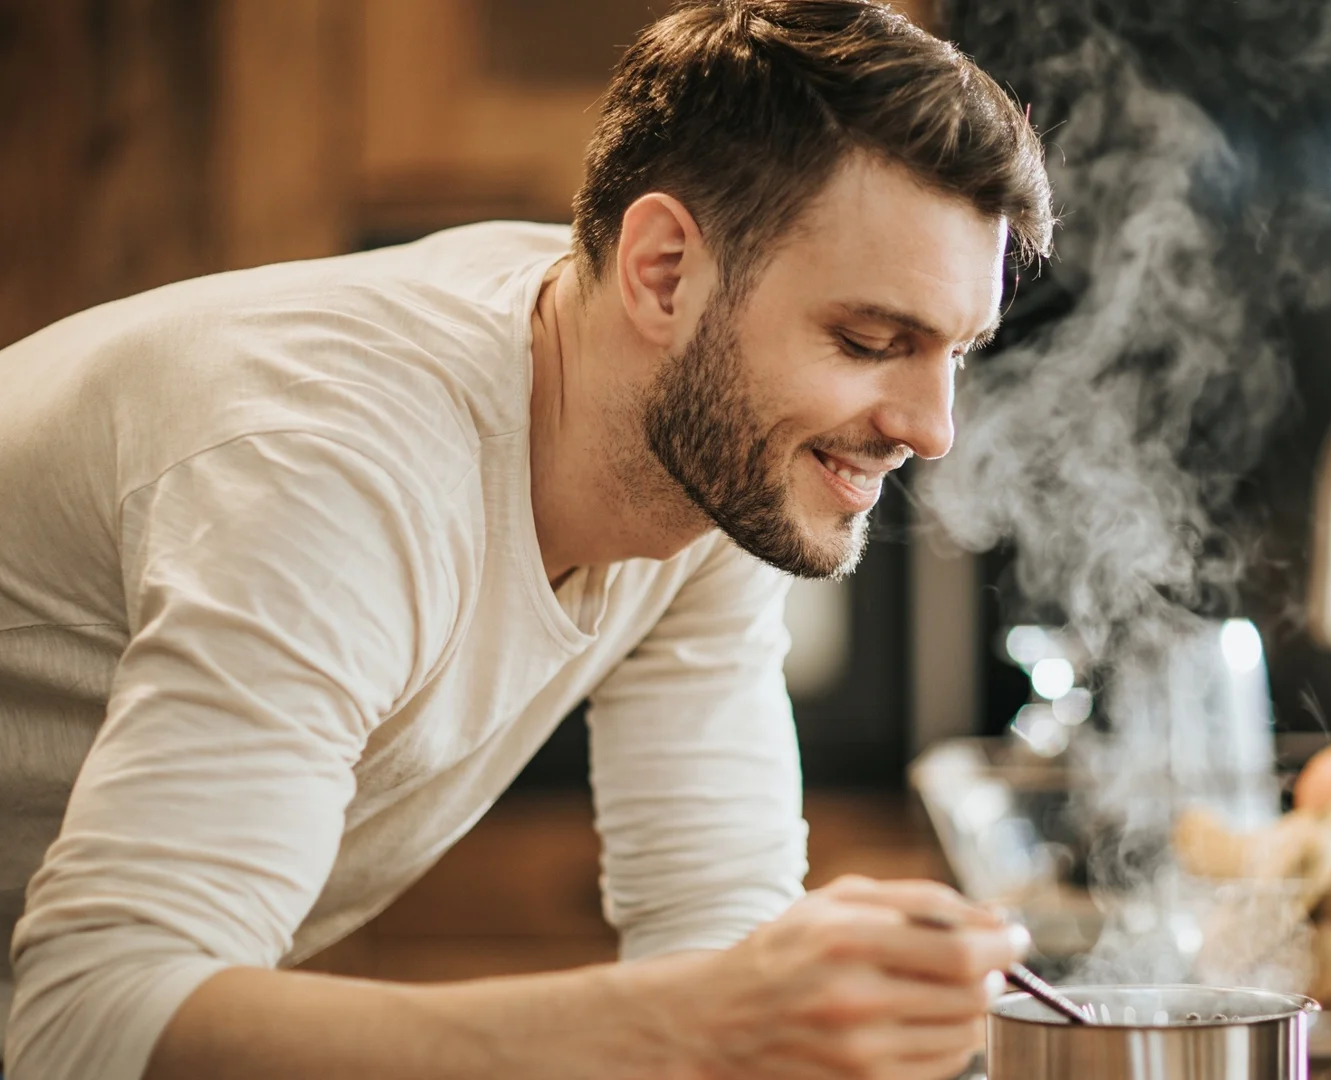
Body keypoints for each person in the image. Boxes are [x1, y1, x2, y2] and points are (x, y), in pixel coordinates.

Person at [0, 0, 1053, 1076]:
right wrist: (689, 1023)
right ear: (662, 272)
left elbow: (712, 923)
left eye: (954, 352)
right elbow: (87, 1024)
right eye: (872, 339)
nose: (932, 429)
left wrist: (779, 1016)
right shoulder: (334, 466)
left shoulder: (708, 455)